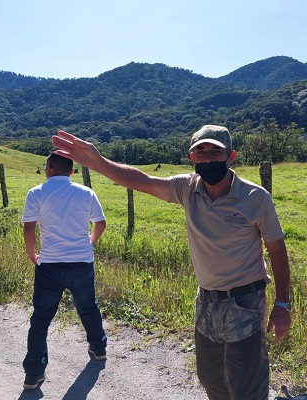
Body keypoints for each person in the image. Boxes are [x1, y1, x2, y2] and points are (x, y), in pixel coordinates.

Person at [52, 125, 291, 400]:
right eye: (201, 153)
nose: (209, 159)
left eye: (216, 152)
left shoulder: (255, 197)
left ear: (231, 156)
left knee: (246, 385)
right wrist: (98, 162)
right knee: (210, 378)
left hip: (245, 301)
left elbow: (277, 250)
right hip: (207, 300)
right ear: (192, 158)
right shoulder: (186, 188)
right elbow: (141, 180)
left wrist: (282, 304)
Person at [21, 153, 108, 390]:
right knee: (88, 307)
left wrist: (32, 254)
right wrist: (89, 242)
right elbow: (100, 223)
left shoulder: (36, 193)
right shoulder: (85, 192)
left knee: (41, 318)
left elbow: (29, 228)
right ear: (72, 171)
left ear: (48, 168)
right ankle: (99, 349)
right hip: (81, 262)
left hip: (50, 264)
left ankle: (33, 374)